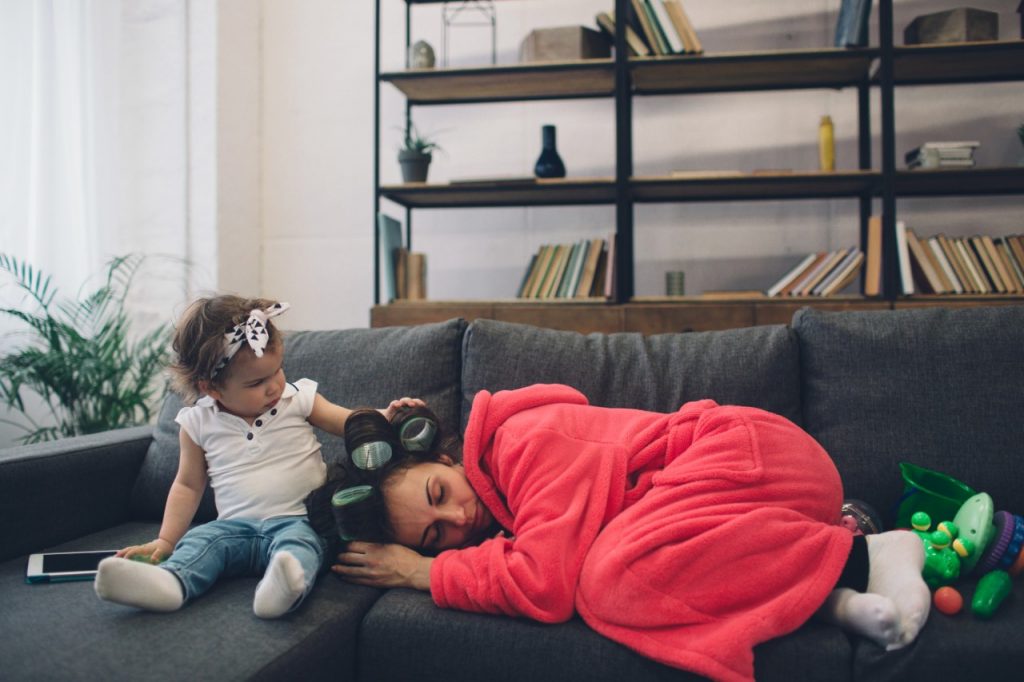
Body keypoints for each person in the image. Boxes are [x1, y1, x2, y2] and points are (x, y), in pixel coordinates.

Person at [331, 383, 931, 682]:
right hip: (738, 502)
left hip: (756, 456)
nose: (458, 519)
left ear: (444, 457)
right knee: (618, 576)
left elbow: (544, 585)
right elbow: (519, 565)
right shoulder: (498, 508)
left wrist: (424, 570)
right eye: (435, 538)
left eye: (439, 494)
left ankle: (870, 553)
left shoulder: (522, 444)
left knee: (609, 580)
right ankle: (823, 598)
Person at [94, 295, 418, 619]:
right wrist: (166, 541)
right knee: (203, 541)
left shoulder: (298, 398)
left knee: (300, 548)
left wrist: (385, 417)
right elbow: (188, 486)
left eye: (277, 370)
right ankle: (170, 583)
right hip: (234, 528)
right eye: (257, 382)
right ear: (212, 389)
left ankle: (283, 587)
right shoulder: (197, 423)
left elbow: (349, 422)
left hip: (299, 520)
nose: (274, 386)